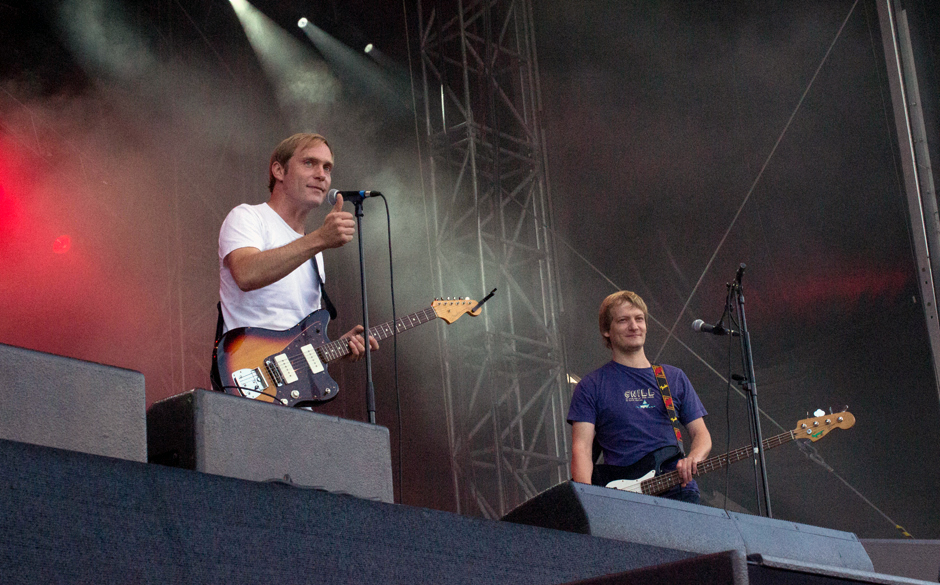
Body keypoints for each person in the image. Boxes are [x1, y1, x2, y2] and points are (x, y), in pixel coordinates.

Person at [218, 132, 378, 360]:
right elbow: (246, 274)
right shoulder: (248, 217)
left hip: (292, 390)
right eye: (309, 163)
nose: (321, 175)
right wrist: (320, 238)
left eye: (327, 168)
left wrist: (335, 348)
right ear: (279, 171)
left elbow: (301, 344)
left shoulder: (314, 253)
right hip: (245, 374)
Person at [567, 291, 711, 503]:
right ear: (607, 330)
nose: (634, 326)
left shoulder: (673, 377)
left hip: (677, 489)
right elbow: (582, 450)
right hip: (624, 497)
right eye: (623, 320)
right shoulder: (591, 386)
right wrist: (588, 503)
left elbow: (702, 435)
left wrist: (693, 458)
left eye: (639, 319)